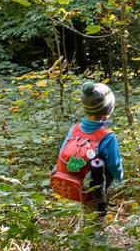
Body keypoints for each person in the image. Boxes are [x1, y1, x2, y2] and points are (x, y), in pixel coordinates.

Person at [50, 82, 124, 218]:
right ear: (107, 111)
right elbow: (114, 164)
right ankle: (92, 236)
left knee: (85, 210)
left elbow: (62, 152)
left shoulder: (74, 129)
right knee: (96, 217)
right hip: (95, 188)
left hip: (76, 181)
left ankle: (83, 232)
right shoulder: (107, 136)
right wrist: (120, 178)